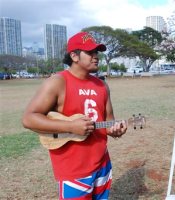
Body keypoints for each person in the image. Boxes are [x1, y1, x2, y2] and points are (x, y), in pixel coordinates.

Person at [22, 32, 127, 200]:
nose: (96, 57)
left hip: (102, 164)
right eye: (90, 52)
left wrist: (115, 130)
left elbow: (108, 121)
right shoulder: (57, 82)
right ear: (74, 56)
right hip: (73, 170)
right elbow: (28, 118)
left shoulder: (102, 86)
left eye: (97, 52)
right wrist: (70, 126)